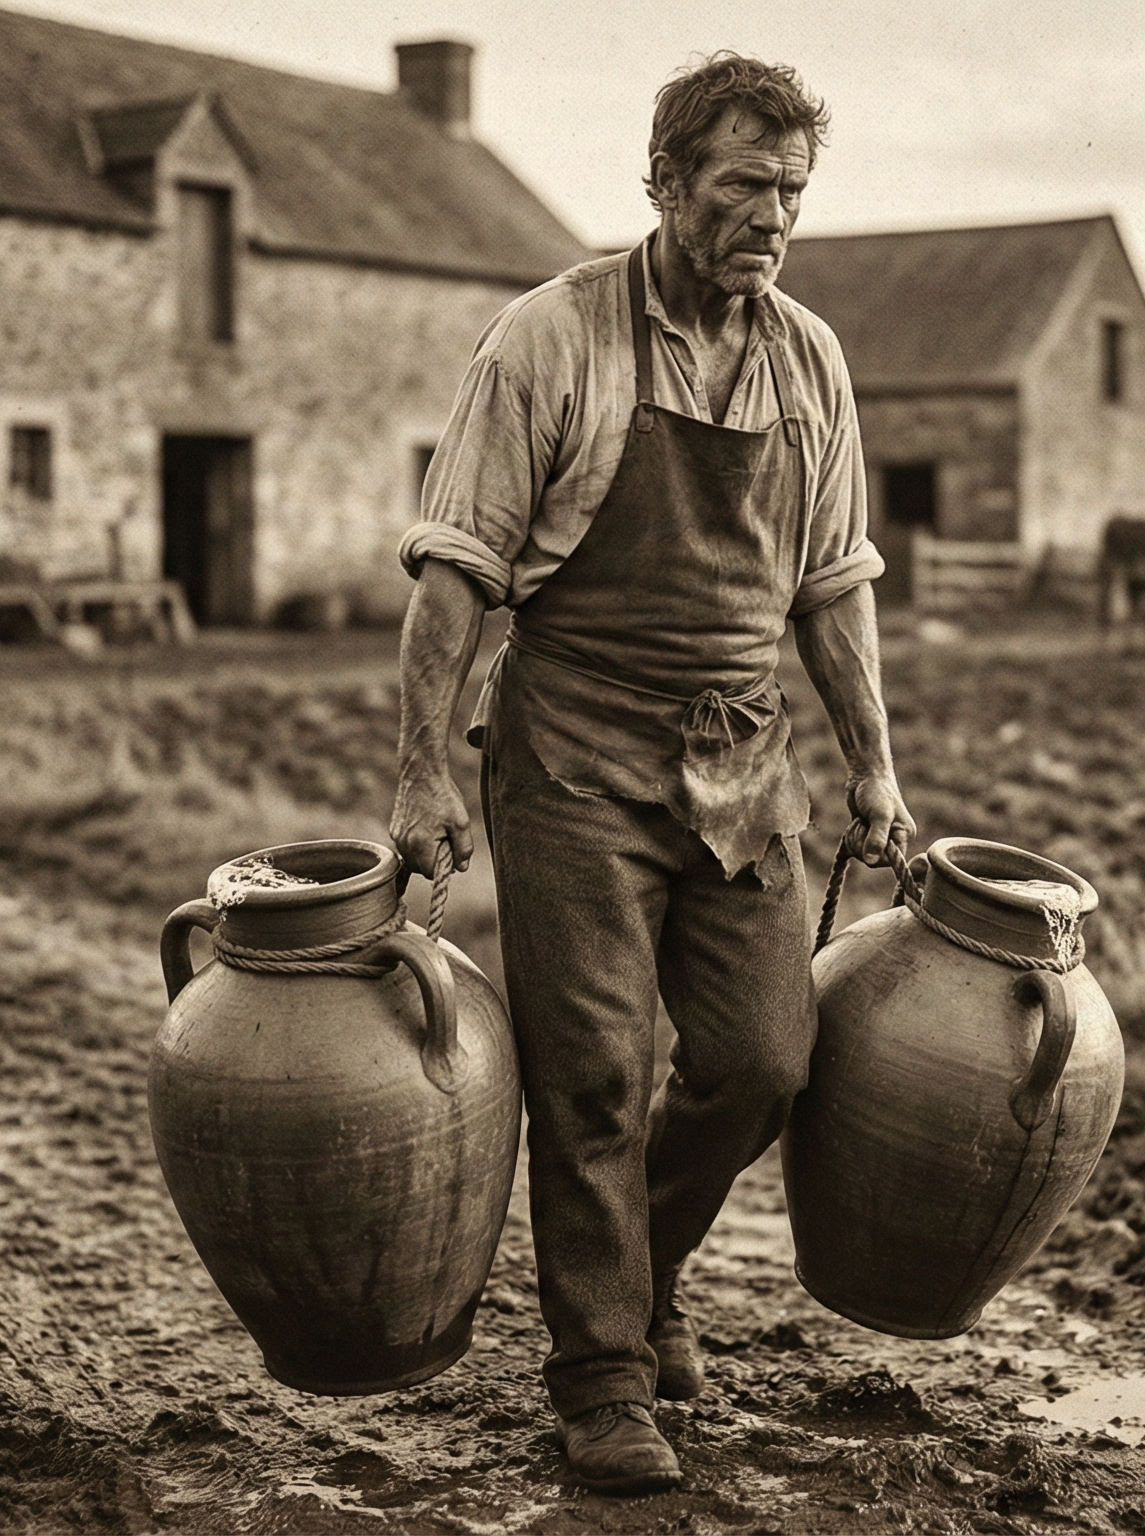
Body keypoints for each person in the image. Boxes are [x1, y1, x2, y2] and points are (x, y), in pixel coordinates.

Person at [389, 53, 914, 1495]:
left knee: (762, 1062)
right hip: (572, 754)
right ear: (668, 181)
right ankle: (602, 1377)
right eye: (744, 186)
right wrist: (425, 775)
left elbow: (832, 588)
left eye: (793, 192)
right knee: (599, 1075)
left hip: (743, 760)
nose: (773, 219)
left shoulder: (810, 358)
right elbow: (457, 575)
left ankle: (645, 1265)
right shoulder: (549, 340)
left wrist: (876, 768)